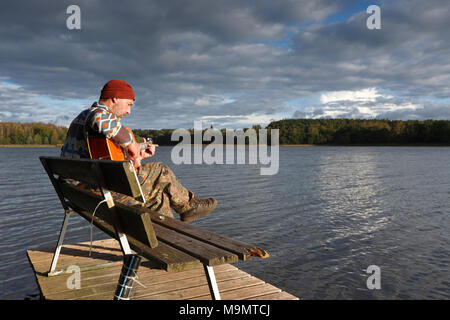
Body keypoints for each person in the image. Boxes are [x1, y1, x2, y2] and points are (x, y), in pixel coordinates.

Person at [60, 79, 217, 222]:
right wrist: (131, 142)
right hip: (98, 194)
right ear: (114, 98)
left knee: (158, 197)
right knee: (160, 170)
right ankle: (188, 206)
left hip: (82, 195)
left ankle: (168, 241)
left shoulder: (81, 121)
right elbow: (99, 119)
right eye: (129, 104)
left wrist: (137, 157)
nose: (129, 111)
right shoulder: (94, 114)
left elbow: (108, 162)